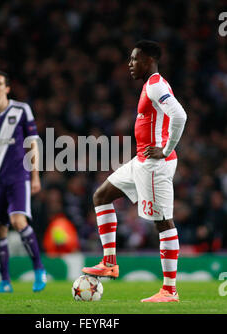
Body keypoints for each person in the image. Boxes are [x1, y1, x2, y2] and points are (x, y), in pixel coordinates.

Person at [82, 40, 187, 302]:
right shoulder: (149, 85)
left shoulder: (156, 85)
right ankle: (109, 262)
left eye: (134, 59)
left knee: (163, 222)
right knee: (101, 196)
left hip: (155, 165)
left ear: (149, 60)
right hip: (140, 161)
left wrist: (165, 148)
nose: (129, 64)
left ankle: (169, 290)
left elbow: (180, 115)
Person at [0, 70, 47, 293]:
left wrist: (35, 176)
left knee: (18, 221)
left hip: (18, 176)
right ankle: (5, 281)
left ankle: (39, 269)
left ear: (7, 88)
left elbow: (33, 144)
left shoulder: (21, 109)